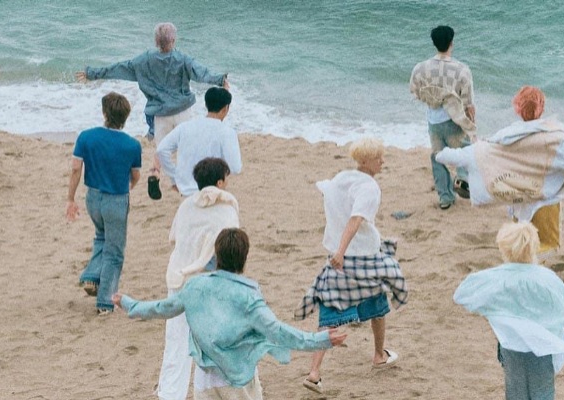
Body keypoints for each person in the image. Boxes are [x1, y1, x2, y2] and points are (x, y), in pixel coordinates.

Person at [115, 228, 347, 400]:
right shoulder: (248, 296)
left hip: (204, 380)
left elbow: (162, 308)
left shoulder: (195, 286)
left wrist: (129, 304)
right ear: (244, 258)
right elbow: (277, 331)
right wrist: (320, 339)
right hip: (239, 381)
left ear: (216, 255)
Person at [435, 86, 564, 257]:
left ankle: (521, 265)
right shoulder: (553, 136)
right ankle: (532, 268)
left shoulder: (506, 136)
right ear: (542, 107)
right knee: (548, 243)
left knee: (522, 242)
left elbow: (480, 153)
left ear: (517, 109)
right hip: (545, 201)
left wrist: (441, 155)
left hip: (518, 200)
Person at [297, 138, 408, 393]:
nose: (383, 162)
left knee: (329, 315)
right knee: (378, 305)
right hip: (361, 258)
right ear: (366, 161)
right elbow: (356, 219)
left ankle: (314, 372)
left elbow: (324, 187)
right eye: (379, 158)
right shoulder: (369, 187)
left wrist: (337, 251)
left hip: (338, 257)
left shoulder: (342, 178)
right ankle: (379, 355)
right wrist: (341, 252)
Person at [454, 222, 564, 400]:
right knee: (543, 393)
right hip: (542, 346)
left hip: (511, 345)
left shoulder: (498, 277)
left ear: (504, 248)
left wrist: (493, 312)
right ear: (534, 247)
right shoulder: (547, 278)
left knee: (515, 392)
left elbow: (463, 294)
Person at [154, 157, 242, 400]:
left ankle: (170, 394)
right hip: (207, 282)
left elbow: (173, 237)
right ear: (220, 182)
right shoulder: (226, 209)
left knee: (176, 341)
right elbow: (229, 248)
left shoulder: (186, 206)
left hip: (179, 278)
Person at [76, 22, 229, 143]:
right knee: (186, 149)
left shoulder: (143, 61)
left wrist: (92, 74)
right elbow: (202, 73)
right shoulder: (184, 60)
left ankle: (151, 135)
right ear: (173, 40)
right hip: (183, 111)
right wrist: (221, 80)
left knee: (163, 154)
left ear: (156, 41)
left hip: (160, 115)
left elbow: (118, 69)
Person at [66, 92, 143, 315]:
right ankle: (105, 302)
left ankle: (92, 275)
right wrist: (128, 187)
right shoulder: (132, 145)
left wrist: (70, 198)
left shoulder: (86, 137)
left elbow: (76, 168)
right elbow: (135, 175)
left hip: (93, 197)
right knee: (115, 252)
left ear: (104, 113)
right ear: (125, 117)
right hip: (116, 199)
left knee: (101, 236)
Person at [410, 25, 476, 210]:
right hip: (454, 120)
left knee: (437, 156)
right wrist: (471, 123)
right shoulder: (461, 69)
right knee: (465, 150)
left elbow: (415, 91)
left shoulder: (420, 68)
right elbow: (468, 102)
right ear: (451, 43)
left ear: (434, 43)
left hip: (434, 121)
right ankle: (462, 178)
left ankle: (445, 197)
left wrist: (432, 99)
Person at [155, 88, 243, 197]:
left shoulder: (185, 127)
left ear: (206, 105)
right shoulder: (227, 132)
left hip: (186, 192)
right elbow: (235, 168)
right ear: (226, 108)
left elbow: (161, 150)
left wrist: (174, 177)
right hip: (212, 192)